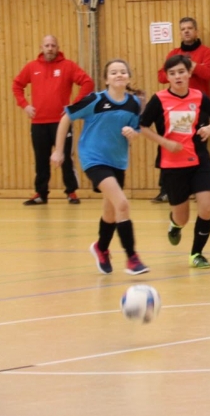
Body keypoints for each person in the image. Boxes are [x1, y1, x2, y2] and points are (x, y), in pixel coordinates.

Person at [50, 59, 149, 275]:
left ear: (128, 77)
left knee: (111, 212)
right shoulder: (95, 100)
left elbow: (136, 129)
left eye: (122, 71)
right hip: (93, 159)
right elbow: (66, 117)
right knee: (122, 204)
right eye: (113, 72)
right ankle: (132, 258)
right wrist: (59, 150)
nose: (118, 75)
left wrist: (133, 133)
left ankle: (101, 248)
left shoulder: (133, 103)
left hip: (118, 161)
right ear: (106, 80)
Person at [139, 55, 210, 268]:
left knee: (207, 208)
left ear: (189, 73)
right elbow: (141, 126)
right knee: (182, 218)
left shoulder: (199, 97)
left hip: (199, 161)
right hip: (172, 165)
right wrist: (165, 143)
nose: (177, 76)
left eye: (181, 72)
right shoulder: (159, 99)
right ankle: (175, 224)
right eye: (172, 73)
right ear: (167, 77)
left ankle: (196, 253)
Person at [12, 35, 95, 205]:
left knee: (66, 158)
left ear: (58, 48)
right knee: (41, 160)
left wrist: (74, 105)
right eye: (47, 45)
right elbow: (17, 85)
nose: (50, 48)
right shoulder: (32, 67)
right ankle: (41, 194)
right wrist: (25, 105)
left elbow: (88, 83)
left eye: (53, 45)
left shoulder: (68, 66)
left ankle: (71, 192)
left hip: (61, 122)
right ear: (41, 47)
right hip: (38, 123)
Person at [151, 17, 210, 203]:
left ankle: (198, 187)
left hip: (197, 108)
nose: (186, 31)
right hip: (173, 109)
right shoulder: (174, 54)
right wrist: (176, 69)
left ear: (196, 31)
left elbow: (209, 73)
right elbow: (161, 76)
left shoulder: (206, 52)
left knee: (197, 146)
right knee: (169, 146)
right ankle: (165, 189)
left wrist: (192, 65)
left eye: (189, 28)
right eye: (183, 29)